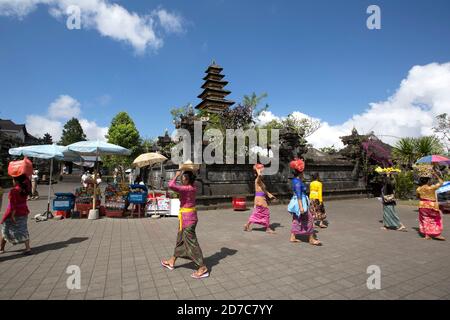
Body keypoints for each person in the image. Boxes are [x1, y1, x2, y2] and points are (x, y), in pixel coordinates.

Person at [161, 170, 209, 279]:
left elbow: (170, 185)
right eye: (182, 177)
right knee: (180, 240)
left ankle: (202, 267)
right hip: (186, 217)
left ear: (187, 179)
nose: (182, 179)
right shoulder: (192, 187)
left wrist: (176, 175)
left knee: (192, 243)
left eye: (183, 178)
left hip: (188, 220)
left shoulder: (186, 189)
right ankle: (172, 261)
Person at [289, 159, 321, 246]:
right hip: (301, 202)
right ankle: (311, 239)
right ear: (301, 172)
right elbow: (299, 195)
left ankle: (293, 236)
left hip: (300, 201)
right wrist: (301, 207)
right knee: (310, 219)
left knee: (297, 219)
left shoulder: (296, 180)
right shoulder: (298, 182)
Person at [0, 174, 32, 255]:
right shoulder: (25, 189)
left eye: (13, 180)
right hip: (24, 211)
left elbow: (12, 204)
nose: (12, 181)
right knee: (23, 229)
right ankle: (28, 248)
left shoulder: (14, 191)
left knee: (5, 229)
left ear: (17, 181)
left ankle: (1, 248)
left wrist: (12, 215)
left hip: (13, 213)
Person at [244, 164, 276, 233]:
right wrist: (258, 170)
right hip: (260, 199)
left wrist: (270, 196)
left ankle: (247, 225)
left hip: (260, 198)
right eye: (262, 172)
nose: (263, 174)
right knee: (265, 213)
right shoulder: (257, 180)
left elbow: (264, 190)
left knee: (257, 213)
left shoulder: (260, 181)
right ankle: (267, 229)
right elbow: (259, 176)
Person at [416, 168, 445, 241]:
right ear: (428, 180)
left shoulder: (418, 189)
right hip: (432, 205)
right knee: (435, 219)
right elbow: (441, 182)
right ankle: (436, 234)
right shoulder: (432, 188)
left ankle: (427, 235)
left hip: (423, 205)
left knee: (425, 220)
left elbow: (417, 197)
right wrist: (435, 175)